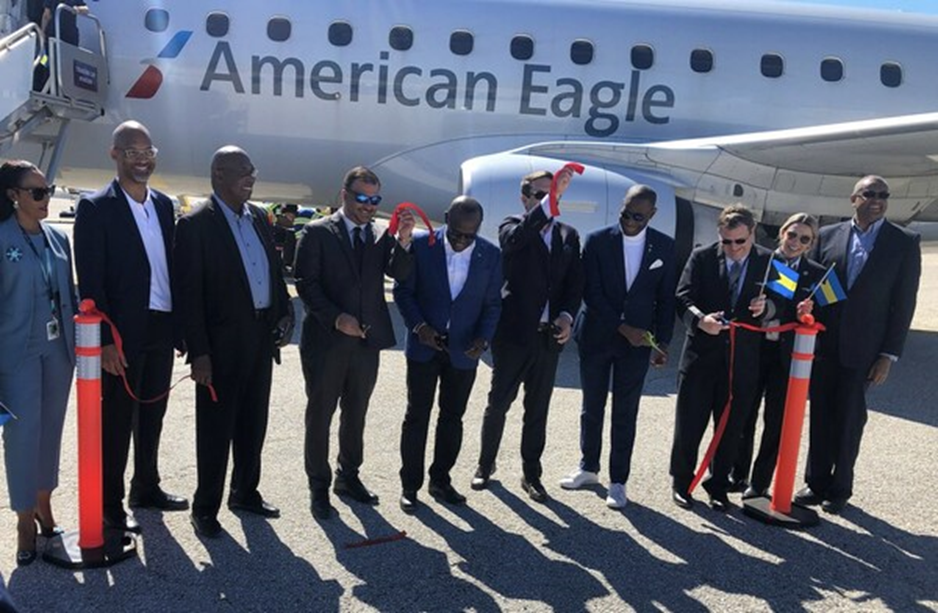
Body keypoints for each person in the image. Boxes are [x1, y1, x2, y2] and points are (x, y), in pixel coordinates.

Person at [74, 121, 187, 535]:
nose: (142, 160)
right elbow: (91, 282)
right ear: (115, 155)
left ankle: (146, 487)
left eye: (147, 152)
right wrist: (104, 340)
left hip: (161, 325)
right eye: (132, 152)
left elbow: (171, 268)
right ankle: (110, 504)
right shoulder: (95, 207)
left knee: (153, 414)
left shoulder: (163, 205)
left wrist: (181, 328)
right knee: (117, 421)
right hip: (122, 333)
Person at [174, 146, 294, 538]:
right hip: (220, 346)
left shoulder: (258, 216)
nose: (251, 177)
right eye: (243, 170)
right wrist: (200, 353)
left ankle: (245, 492)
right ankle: (205, 507)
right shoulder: (195, 225)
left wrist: (285, 313)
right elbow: (189, 296)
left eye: (252, 170)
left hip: (260, 338)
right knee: (215, 429)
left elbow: (274, 273)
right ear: (218, 174)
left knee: (253, 423)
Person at [293, 166, 414, 520]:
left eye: (375, 200)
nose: (369, 206)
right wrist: (336, 318)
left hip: (365, 343)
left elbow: (399, 272)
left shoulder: (378, 234)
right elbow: (306, 284)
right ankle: (318, 486)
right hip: (326, 342)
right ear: (344, 194)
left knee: (356, 413)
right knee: (320, 415)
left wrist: (404, 239)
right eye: (362, 198)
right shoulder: (317, 232)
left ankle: (348, 476)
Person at [796, 175, 920, 514]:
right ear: (854, 198)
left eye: (884, 195)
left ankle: (840, 488)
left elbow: (904, 304)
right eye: (870, 193)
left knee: (850, 418)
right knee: (821, 412)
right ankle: (815, 482)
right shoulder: (827, 236)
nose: (878, 200)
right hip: (824, 344)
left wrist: (888, 355)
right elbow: (812, 285)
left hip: (865, 348)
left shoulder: (903, 242)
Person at [559, 185, 677, 508]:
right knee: (592, 406)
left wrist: (663, 342)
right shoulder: (597, 240)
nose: (630, 221)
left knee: (626, 411)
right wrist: (623, 328)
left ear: (652, 214)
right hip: (598, 335)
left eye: (638, 217)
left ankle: (619, 481)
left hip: (637, 344)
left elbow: (666, 299)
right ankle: (588, 467)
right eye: (626, 214)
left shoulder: (664, 247)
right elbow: (591, 293)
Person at [472, 169, 582, 502]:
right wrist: (546, 207)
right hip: (514, 334)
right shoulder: (512, 226)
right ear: (524, 199)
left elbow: (574, 284)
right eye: (540, 195)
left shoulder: (568, 234)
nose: (548, 200)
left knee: (537, 410)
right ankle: (485, 465)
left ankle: (531, 474)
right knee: (498, 404)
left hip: (547, 338)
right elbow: (514, 242)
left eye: (553, 194)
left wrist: (567, 317)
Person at [394, 197, 502, 512]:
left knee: (452, 419)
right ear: (445, 219)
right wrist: (419, 327)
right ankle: (409, 486)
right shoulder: (421, 246)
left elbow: (493, 304)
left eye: (469, 235)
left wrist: (483, 339)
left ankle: (440, 480)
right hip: (424, 348)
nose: (461, 241)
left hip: (463, 351)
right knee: (417, 417)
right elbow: (403, 291)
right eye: (456, 234)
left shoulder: (490, 255)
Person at [670, 204, 770, 512]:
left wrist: (767, 308)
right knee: (689, 425)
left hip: (742, 362)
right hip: (701, 358)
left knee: (730, 429)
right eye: (727, 241)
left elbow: (786, 299)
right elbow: (682, 296)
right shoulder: (701, 257)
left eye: (740, 241)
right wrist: (700, 320)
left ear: (752, 233)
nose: (734, 248)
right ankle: (681, 483)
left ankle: (718, 486)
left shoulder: (771, 262)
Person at [0, 160, 76, 565]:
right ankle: (23, 519)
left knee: (50, 431)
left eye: (48, 191)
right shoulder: (2, 239)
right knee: (22, 436)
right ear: (14, 195)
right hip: (17, 354)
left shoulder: (58, 239)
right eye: (37, 192)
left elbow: (69, 297)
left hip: (58, 351)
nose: (46, 198)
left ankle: (45, 505)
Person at [732, 213, 826, 500]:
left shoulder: (817, 274)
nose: (795, 242)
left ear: (811, 244)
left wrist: (808, 314)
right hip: (753, 350)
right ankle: (737, 472)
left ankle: (760, 482)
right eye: (792, 234)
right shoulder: (759, 261)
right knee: (743, 413)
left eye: (804, 239)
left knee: (775, 422)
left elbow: (829, 316)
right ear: (782, 232)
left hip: (787, 357)